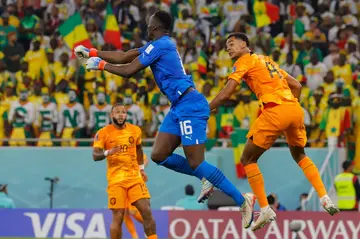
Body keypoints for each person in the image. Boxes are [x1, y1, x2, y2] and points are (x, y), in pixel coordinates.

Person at [76, 10, 255, 228]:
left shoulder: (161, 44)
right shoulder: (157, 46)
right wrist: (92, 51)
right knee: (159, 155)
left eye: (149, 24)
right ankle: (204, 175)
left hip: (190, 105)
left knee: (197, 162)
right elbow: (124, 56)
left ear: (155, 27)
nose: (147, 27)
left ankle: (242, 200)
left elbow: (129, 70)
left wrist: (101, 65)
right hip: (178, 106)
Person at [209, 32, 339, 231]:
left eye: (231, 43)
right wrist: (288, 111)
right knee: (299, 154)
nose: (228, 48)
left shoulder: (244, 61)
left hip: (275, 110)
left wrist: (205, 108)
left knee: (247, 159)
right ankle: (324, 197)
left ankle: (265, 208)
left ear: (244, 44)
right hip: (295, 109)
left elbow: (228, 92)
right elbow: (296, 85)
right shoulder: (266, 60)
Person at [92, 104, 157, 239]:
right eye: (117, 112)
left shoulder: (135, 130)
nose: (121, 115)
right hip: (116, 181)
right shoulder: (103, 132)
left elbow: (139, 150)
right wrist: (109, 152)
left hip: (134, 178)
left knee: (146, 210)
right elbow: (95, 155)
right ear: (111, 115)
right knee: (118, 216)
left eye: (123, 112)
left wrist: (141, 169)